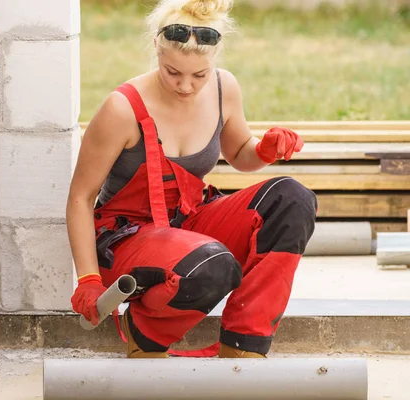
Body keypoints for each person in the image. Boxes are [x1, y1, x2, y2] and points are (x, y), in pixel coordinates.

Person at [66, 0, 317, 359]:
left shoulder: (223, 88)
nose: (186, 86)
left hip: (190, 222)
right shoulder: (121, 109)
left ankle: (244, 344)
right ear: (156, 47)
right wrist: (88, 278)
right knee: (213, 265)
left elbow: (240, 152)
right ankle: (146, 332)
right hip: (128, 238)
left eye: (199, 75)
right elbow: (80, 198)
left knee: (291, 199)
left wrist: (265, 150)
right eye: (172, 72)